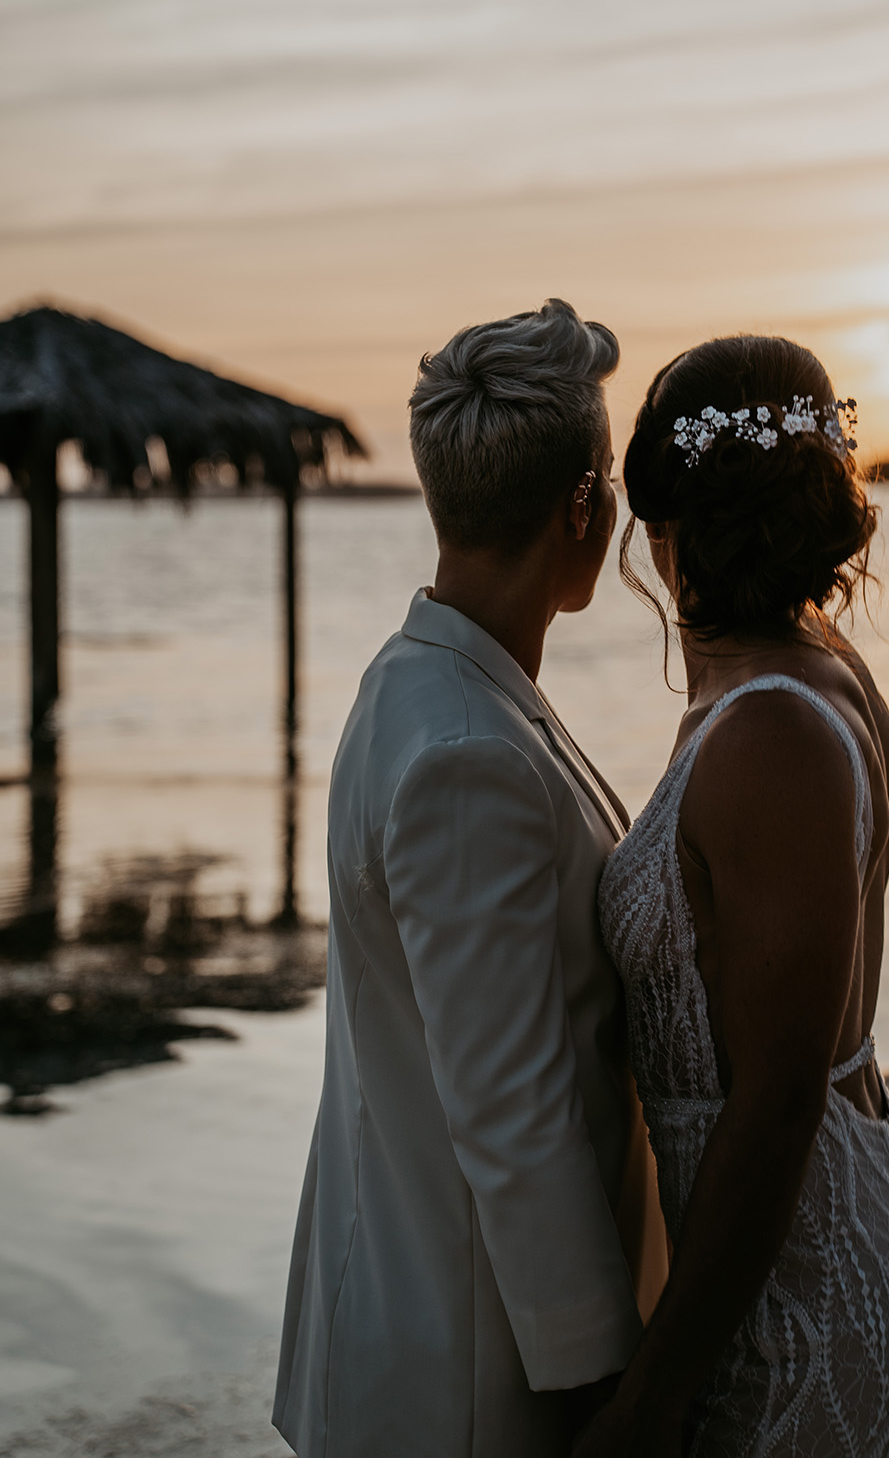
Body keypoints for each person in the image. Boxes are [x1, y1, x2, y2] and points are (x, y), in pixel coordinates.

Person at [581, 335, 889, 1457]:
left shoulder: (770, 730)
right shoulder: (812, 665)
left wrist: (652, 1396)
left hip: (823, 1298)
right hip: (802, 1260)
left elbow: (775, 1107)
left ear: (662, 538)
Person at [273, 300, 664, 1458]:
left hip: (418, 1322)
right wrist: (605, 1388)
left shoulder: (419, 683)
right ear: (584, 507)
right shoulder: (464, 753)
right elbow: (514, 1115)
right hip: (471, 1381)